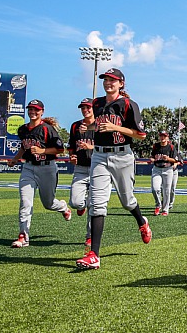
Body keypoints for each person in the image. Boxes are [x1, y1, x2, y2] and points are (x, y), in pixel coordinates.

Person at [76, 68, 152, 270]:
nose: (108, 82)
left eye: (113, 80)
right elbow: (100, 126)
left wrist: (115, 128)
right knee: (97, 203)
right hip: (99, 155)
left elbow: (140, 134)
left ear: (121, 83)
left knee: (127, 201)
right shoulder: (97, 103)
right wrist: (90, 128)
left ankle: (142, 221)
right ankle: (94, 254)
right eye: (106, 79)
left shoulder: (128, 104)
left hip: (122, 155)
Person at [8, 99, 72, 248]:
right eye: (30, 109)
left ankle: (63, 207)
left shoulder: (47, 129)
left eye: (36, 110)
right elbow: (24, 148)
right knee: (25, 202)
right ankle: (23, 235)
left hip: (47, 168)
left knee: (48, 203)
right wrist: (15, 159)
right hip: (28, 168)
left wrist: (43, 150)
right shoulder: (23, 129)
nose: (32, 112)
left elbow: (60, 149)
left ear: (42, 112)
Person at [68, 97, 95, 252]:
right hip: (80, 168)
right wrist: (72, 156)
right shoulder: (75, 126)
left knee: (94, 205)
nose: (85, 110)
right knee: (75, 202)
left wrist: (90, 146)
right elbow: (71, 146)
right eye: (83, 108)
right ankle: (81, 205)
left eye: (88, 107)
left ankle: (90, 235)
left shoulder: (99, 125)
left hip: (97, 168)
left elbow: (106, 146)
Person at [150, 130, 178, 216]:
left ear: (167, 137)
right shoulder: (156, 146)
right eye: (161, 136)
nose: (162, 138)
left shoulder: (171, 147)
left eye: (164, 136)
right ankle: (158, 205)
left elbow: (175, 160)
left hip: (168, 169)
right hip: (157, 169)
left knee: (166, 191)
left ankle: (165, 210)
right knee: (155, 189)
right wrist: (152, 159)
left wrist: (168, 159)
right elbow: (151, 156)